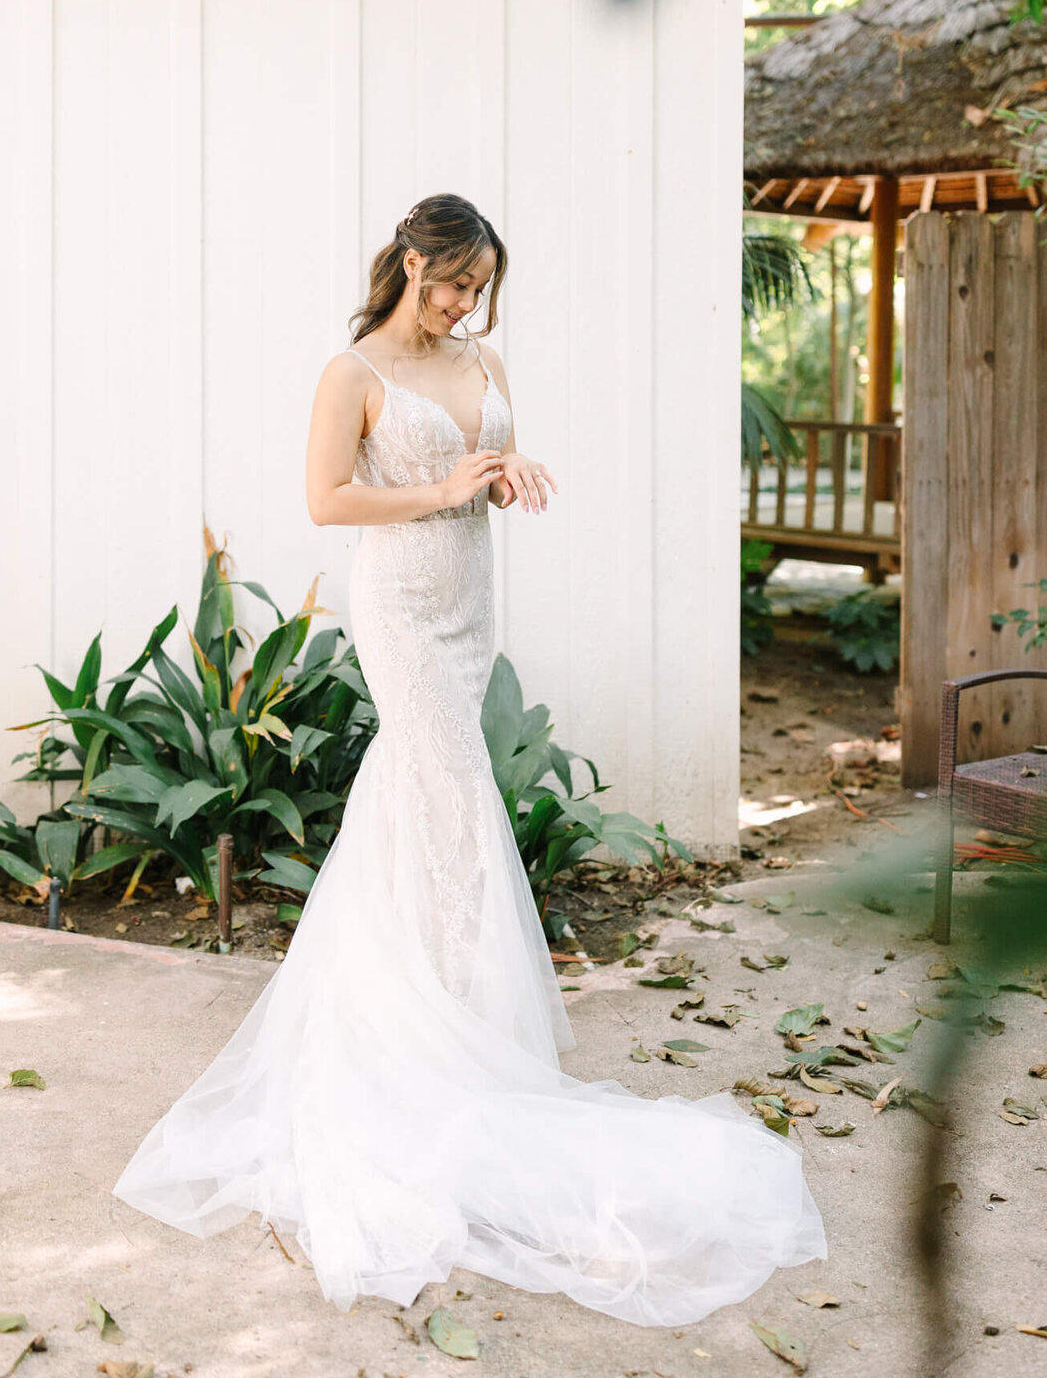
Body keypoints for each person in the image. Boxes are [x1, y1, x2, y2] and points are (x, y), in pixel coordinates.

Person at [110, 192, 828, 1327]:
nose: (466, 305)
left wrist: (504, 468)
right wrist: (443, 485)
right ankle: (420, 1042)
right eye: (455, 284)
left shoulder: (484, 358)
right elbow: (326, 498)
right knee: (443, 792)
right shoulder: (353, 372)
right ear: (412, 263)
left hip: (469, 602)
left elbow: (481, 458)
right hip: (400, 605)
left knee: (428, 804)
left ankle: (442, 1014)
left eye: (480, 288)